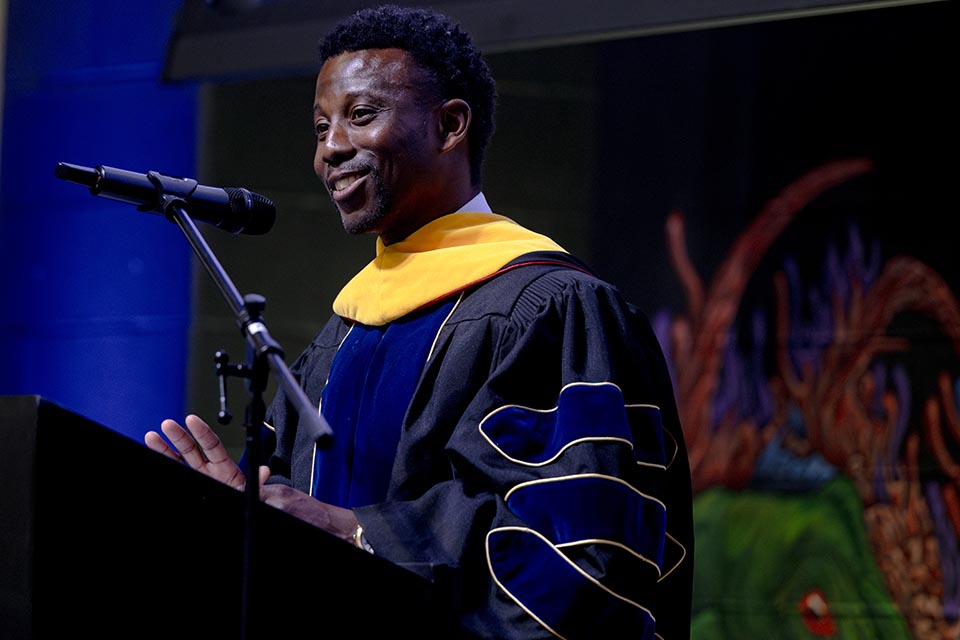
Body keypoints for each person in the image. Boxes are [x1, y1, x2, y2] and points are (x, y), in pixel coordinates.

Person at [145, 4, 694, 638]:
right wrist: (244, 513)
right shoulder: (341, 337)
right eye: (320, 127)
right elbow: (292, 516)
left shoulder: (553, 310)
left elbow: (578, 552)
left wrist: (355, 531)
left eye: (360, 116)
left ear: (450, 124)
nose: (331, 150)